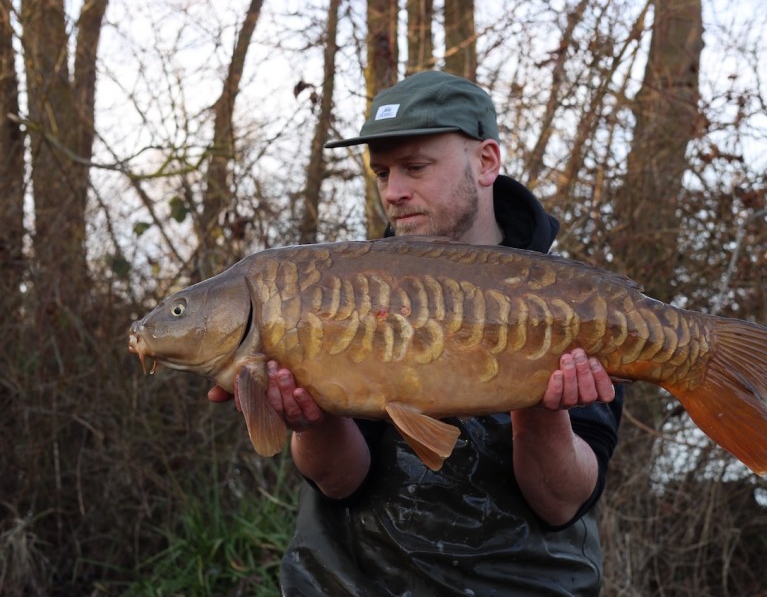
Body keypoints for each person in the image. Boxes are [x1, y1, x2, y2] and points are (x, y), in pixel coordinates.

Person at [209, 70, 624, 596]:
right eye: (382, 173)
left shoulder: (575, 301)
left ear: (486, 161)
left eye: (415, 167)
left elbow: (560, 503)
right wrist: (310, 422)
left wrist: (542, 409)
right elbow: (341, 482)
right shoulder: (340, 294)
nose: (394, 193)